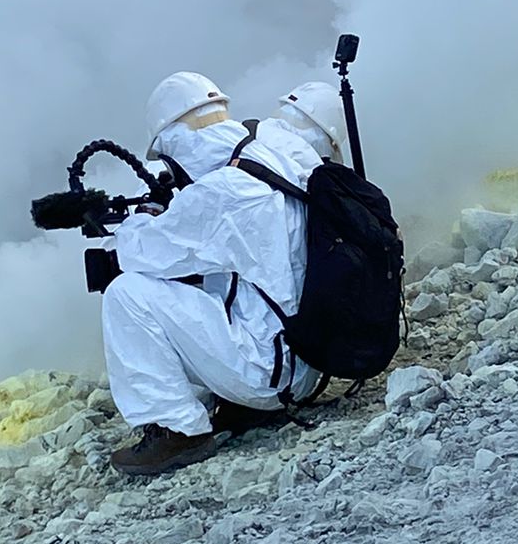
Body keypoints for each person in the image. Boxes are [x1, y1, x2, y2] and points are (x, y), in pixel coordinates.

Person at [100, 71, 345, 477]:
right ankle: (238, 406)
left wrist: (140, 220)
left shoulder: (226, 190)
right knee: (205, 287)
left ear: (176, 141)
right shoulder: (272, 159)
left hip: (271, 373)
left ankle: (179, 430)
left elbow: (140, 255)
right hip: (309, 362)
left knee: (127, 293)